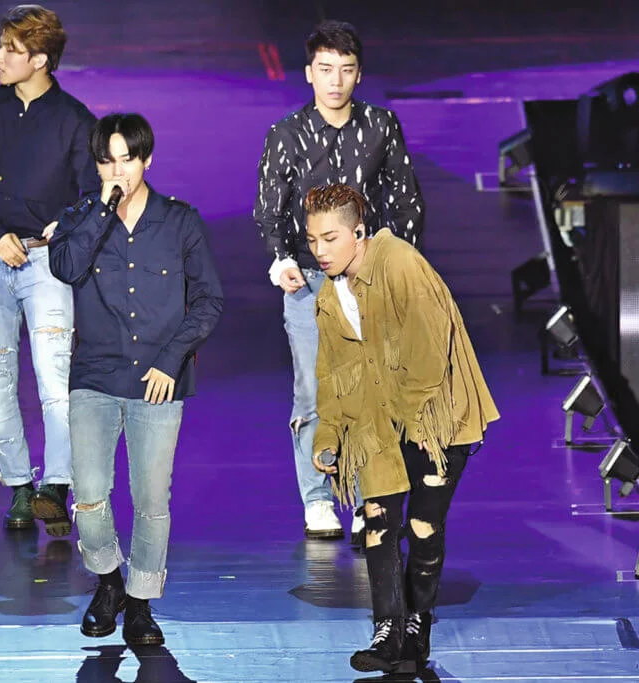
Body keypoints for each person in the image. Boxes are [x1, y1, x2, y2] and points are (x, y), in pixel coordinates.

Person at [304, 184, 498, 673]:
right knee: (378, 522)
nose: (320, 251)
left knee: (423, 525)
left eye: (330, 238)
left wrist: (407, 419)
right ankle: (387, 630)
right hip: (377, 419)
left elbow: (429, 353)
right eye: (312, 240)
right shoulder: (329, 295)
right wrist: (329, 435)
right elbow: (330, 372)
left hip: (437, 417)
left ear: (359, 232)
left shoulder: (401, 265)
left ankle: (417, 623)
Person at [49, 113, 223, 646]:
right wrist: (102, 209)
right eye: (107, 161)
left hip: (157, 379)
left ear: (147, 160)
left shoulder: (179, 221)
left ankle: (142, 602)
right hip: (96, 375)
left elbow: (208, 300)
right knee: (89, 494)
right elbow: (65, 268)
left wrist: (171, 360)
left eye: (127, 159)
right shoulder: (81, 217)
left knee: (151, 498)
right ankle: (109, 584)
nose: (118, 170)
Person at [253, 20, 425, 543]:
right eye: (325, 69)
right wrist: (279, 258)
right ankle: (318, 498)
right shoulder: (287, 134)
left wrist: (398, 266)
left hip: (369, 280)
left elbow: (405, 201)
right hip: (308, 282)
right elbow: (269, 208)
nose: (335, 80)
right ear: (309, 73)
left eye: (345, 70)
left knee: (374, 389)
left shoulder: (381, 126)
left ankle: (369, 496)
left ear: (359, 74)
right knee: (314, 389)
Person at [0, 4, 99, 537]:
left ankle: (56, 485)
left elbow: (92, 192)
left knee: (54, 375)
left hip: (46, 261)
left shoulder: (75, 120)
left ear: (39, 59)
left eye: (10, 50)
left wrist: (65, 225)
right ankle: (18, 485)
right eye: (1, 46)